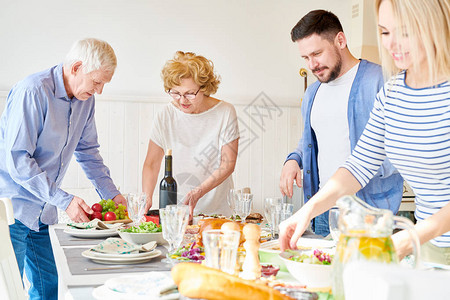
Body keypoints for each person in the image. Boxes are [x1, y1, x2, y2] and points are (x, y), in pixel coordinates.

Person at [280, 0, 450, 265]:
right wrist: (306, 211)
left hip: (418, 239)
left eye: (405, 31)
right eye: (385, 32)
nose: (391, 44)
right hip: (427, 247)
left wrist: (404, 240)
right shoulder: (393, 93)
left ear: (432, 25)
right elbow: (358, 165)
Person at [0, 38, 127, 299]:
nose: (100, 90)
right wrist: (65, 200)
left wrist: (112, 195)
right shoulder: (33, 91)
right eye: (97, 82)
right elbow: (18, 160)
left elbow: (88, 152)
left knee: (51, 289)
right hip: (13, 211)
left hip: (44, 213)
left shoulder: (85, 100)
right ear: (77, 67)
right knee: (10, 290)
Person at [279, 10, 403, 236]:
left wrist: (357, 172)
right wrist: (294, 160)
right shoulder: (313, 92)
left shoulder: (381, 80)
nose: (312, 64)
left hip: (369, 213)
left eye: (317, 53)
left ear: (341, 40)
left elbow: (399, 151)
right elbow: (311, 140)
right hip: (324, 210)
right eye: (305, 58)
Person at [142, 51, 239, 218]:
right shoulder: (166, 115)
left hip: (217, 213)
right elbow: (151, 164)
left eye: (189, 93)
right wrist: (147, 197)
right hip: (176, 213)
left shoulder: (225, 112)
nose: (182, 100)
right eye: (176, 93)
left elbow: (227, 163)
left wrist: (199, 191)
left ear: (205, 88)